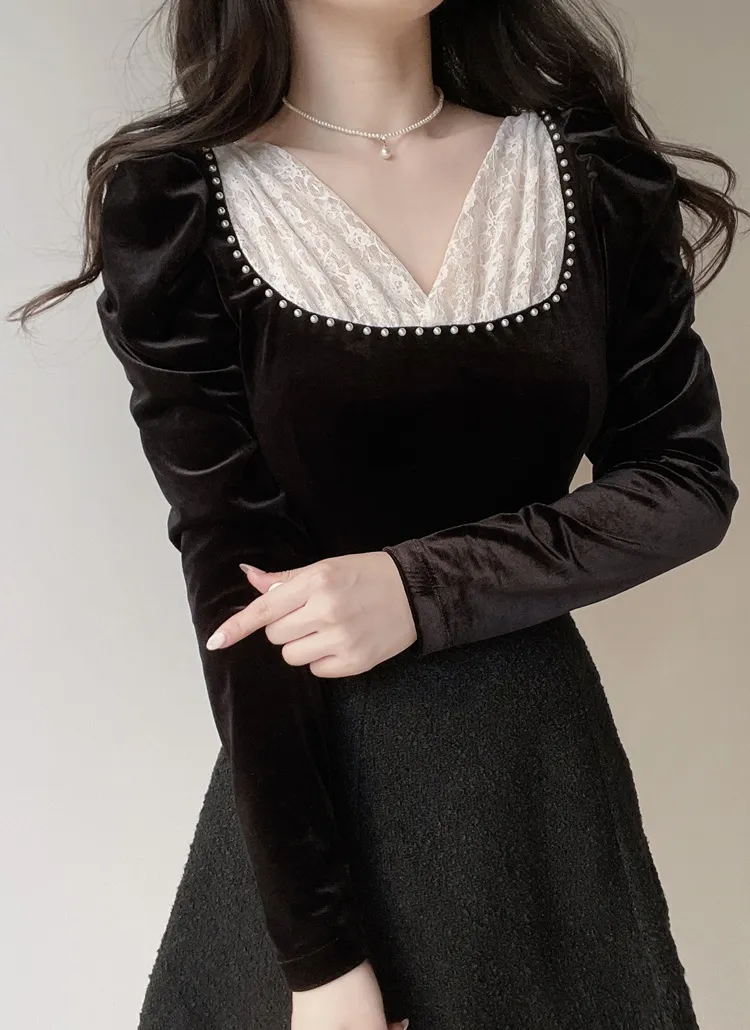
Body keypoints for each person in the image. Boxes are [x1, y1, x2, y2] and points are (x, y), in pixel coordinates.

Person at [9, 1, 747, 1028]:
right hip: (318, 811)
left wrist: (421, 587)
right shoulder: (177, 206)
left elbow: (685, 484)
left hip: (539, 788)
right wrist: (321, 960)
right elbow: (237, 596)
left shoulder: (592, 172)